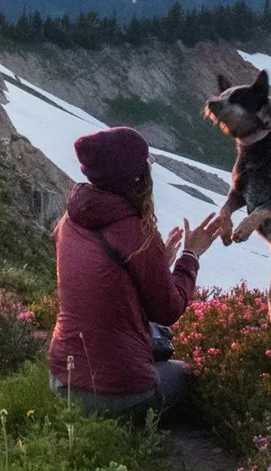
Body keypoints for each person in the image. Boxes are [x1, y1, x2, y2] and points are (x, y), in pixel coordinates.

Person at [48, 125, 221, 422]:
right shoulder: (137, 235)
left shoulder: (70, 221)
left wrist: (156, 265)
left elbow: (104, 283)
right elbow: (168, 310)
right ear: (136, 179)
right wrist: (190, 256)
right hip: (118, 394)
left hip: (62, 380)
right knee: (189, 376)